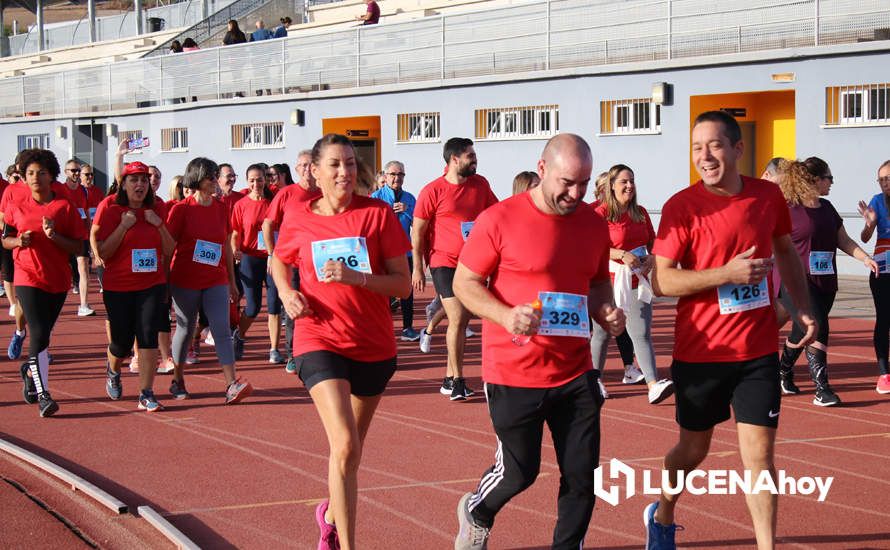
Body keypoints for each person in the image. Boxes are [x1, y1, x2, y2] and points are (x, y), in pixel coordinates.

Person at [644, 111, 816, 550]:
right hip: (701, 352)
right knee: (693, 451)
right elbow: (662, 281)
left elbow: (784, 251)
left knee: (759, 458)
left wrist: (801, 306)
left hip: (756, 350)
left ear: (738, 149)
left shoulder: (766, 198)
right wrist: (725, 274)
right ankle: (662, 512)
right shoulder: (682, 207)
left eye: (714, 145)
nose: (704, 156)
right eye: (697, 148)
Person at [452, 134, 624, 549]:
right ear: (542, 169)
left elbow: (598, 282)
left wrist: (606, 311)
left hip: (574, 370)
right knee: (520, 472)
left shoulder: (592, 222)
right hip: (514, 371)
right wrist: (505, 314)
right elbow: (464, 282)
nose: (576, 193)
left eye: (584, 183)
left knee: (583, 475)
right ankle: (477, 510)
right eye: (567, 182)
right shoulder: (500, 218)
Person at [270, 134, 411, 550]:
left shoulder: (377, 214)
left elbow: (403, 285)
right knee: (345, 443)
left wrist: (358, 279)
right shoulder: (299, 216)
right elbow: (280, 259)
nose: (344, 172)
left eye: (350, 163)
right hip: (318, 337)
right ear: (314, 170)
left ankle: (330, 513)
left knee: (350, 452)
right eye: (334, 164)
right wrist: (285, 293)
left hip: (372, 343)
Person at [774, 158, 877, 405]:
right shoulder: (789, 209)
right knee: (819, 326)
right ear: (815, 180)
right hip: (795, 280)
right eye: (829, 178)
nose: (832, 183)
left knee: (802, 330)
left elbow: (844, 240)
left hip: (825, 280)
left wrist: (865, 258)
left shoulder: (828, 208)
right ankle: (823, 390)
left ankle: (783, 370)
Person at [412, 137, 498, 400]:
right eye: (470, 156)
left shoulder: (480, 184)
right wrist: (417, 267)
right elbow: (418, 230)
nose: (475, 159)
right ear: (454, 160)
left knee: (463, 319)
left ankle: (449, 378)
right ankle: (458, 380)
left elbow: (496, 214)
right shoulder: (433, 190)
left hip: (472, 263)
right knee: (458, 317)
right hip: (443, 262)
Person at [2, 149, 85, 417]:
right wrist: (18, 242)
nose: (35, 177)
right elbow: (5, 238)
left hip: (57, 279)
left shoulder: (64, 207)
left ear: (52, 177)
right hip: (27, 276)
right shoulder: (16, 206)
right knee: (37, 333)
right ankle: (44, 395)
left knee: (43, 336)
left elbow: (78, 246)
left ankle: (29, 369)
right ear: (23, 177)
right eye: (30, 173)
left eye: (41, 172)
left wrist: (54, 236)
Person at [165, 157, 252, 404]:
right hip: (185, 279)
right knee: (186, 327)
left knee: (222, 330)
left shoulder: (221, 207)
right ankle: (178, 379)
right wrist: (164, 281)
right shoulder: (181, 209)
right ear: (197, 179)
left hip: (216, 278)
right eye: (211, 177)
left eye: (216, 176)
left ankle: (231, 384)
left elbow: (225, 245)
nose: (216, 181)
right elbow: (168, 248)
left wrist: (232, 282)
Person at [91, 162, 175, 412]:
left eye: (144, 180)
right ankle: (113, 369)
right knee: (122, 343)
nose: (140, 184)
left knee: (148, 336)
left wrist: (158, 223)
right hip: (119, 286)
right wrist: (123, 226)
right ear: (123, 184)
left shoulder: (157, 207)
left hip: (152, 284)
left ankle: (146, 392)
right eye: (134, 180)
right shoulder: (110, 207)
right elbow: (103, 252)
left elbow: (170, 249)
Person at [590, 164, 674, 405]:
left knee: (641, 333)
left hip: (637, 279)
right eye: (624, 182)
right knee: (602, 334)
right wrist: (619, 254)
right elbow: (593, 246)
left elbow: (653, 241)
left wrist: (652, 257)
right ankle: (595, 381)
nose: (629, 186)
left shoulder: (641, 212)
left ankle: (653, 384)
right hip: (607, 281)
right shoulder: (600, 214)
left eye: (632, 181)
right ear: (612, 186)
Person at [262, 149, 320, 374]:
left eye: (310, 165)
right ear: (296, 170)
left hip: (318, 262)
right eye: (302, 165)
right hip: (292, 262)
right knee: (294, 307)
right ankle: (292, 354)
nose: (307, 169)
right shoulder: (287, 194)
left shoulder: (325, 193)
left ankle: (316, 349)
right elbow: (268, 224)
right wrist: (271, 253)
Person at [230, 164, 284, 363]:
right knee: (252, 306)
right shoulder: (241, 205)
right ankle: (240, 335)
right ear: (247, 182)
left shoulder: (274, 201)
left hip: (273, 256)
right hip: (250, 257)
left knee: (274, 304)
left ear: (265, 180)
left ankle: (274, 349)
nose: (256, 184)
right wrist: (235, 249)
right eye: (252, 180)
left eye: (259, 179)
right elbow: (235, 232)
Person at [372, 160, 419, 341]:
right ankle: (381, 329)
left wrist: (407, 211)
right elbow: (370, 225)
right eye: (393, 174)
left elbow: (418, 224)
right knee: (382, 294)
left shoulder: (410, 198)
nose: (397, 178)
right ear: (385, 176)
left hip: (404, 252)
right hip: (382, 253)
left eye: (400, 175)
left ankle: (408, 328)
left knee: (407, 292)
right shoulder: (376, 197)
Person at [858, 159, 890, 394]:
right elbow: (866, 237)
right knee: (884, 319)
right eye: (881, 179)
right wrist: (869, 225)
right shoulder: (877, 201)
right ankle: (883, 374)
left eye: (888, 178)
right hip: (883, 269)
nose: (884, 183)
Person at [62, 159, 96, 317]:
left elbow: (87, 212)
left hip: (81, 234)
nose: (75, 174)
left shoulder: (84, 191)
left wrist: (90, 234)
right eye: (72, 171)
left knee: (83, 266)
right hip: (64, 236)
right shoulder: (60, 189)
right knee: (62, 270)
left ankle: (83, 304)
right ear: (65, 172)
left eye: (77, 171)